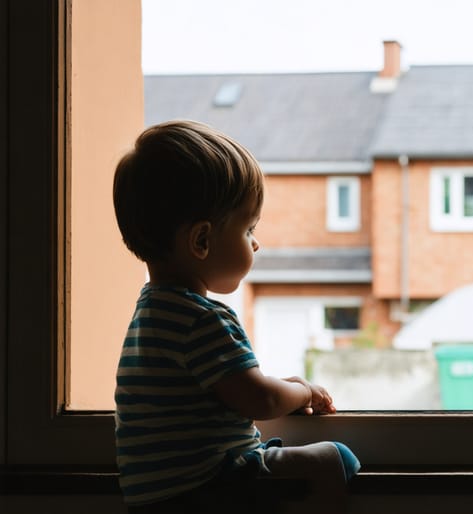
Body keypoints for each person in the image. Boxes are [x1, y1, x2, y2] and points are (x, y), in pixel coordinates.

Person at [112, 120, 360, 513]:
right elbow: (258, 399)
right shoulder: (203, 319)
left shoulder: (150, 314)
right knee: (338, 459)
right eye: (248, 229)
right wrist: (303, 390)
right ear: (202, 241)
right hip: (211, 486)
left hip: (154, 497)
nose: (256, 243)